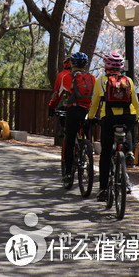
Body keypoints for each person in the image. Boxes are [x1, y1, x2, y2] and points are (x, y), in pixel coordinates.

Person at [87, 51, 139, 202]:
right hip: (127, 115)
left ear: (106, 65)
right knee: (127, 128)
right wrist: (136, 117)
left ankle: (103, 189)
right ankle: (129, 152)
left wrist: (91, 118)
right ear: (121, 67)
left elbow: (95, 102)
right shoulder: (128, 80)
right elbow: (135, 102)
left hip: (108, 118)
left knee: (105, 154)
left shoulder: (101, 80)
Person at [48, 52, 95, 185]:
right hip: (88, 111)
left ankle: (68, 173)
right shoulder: (92, 77)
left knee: (69, 140)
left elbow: (57, 95)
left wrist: (51, 106)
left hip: (73, 110)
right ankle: (87, 153)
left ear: (72, 64)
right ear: (85, 65)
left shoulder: (67, 77)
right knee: (86, 136)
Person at [48, 56, 71, 136]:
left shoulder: (61, 75)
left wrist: (51, 106)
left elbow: (57, 92)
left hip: (65, 104)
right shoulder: (83, 76)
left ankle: (62, 128)